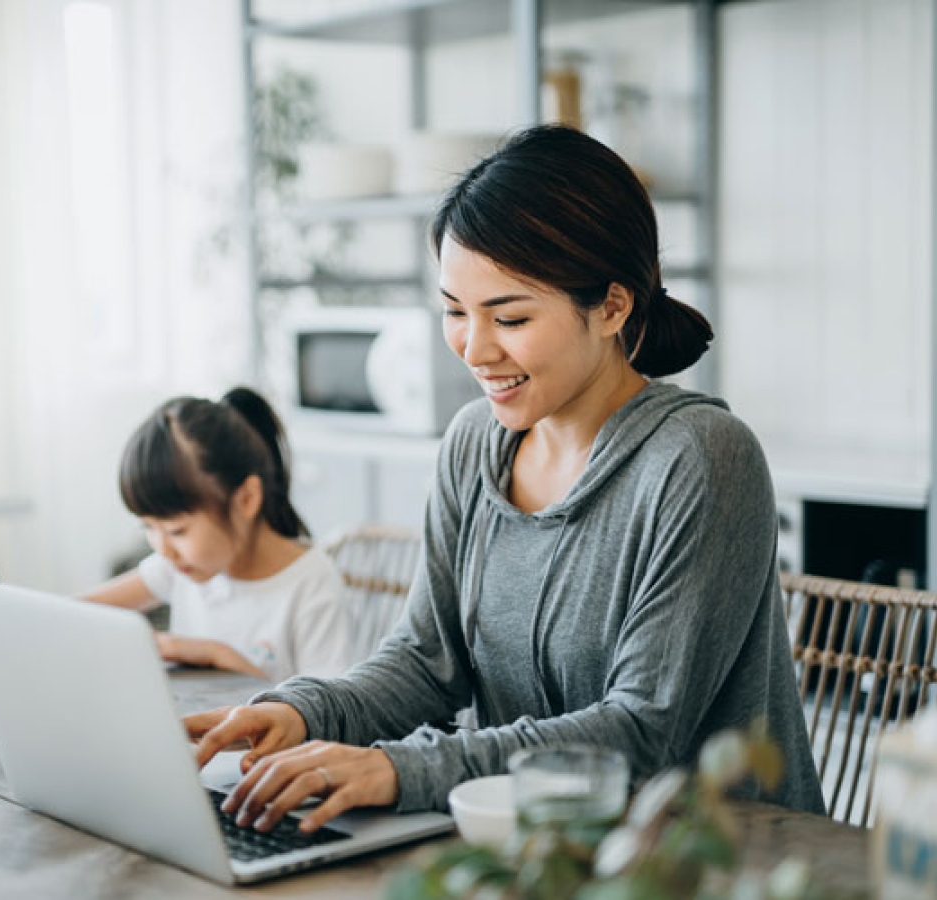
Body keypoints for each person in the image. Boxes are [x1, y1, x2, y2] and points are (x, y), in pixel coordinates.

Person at [187, 124, 826, 835]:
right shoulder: (473, 446)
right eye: (454, 311)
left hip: (711, 859)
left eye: (510, 317)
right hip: (529, 845)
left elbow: (643, 734)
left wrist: (399, 770)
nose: (474, 348)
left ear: (613, 307)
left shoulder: (702, 458)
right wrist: (303, 711)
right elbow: (426, 664)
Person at [83, 387, 348, 683]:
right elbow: (72, 613)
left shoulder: (311, 583)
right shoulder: (179, 566)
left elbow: (328, 719)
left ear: (247, 499)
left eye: (176, 530)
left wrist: (219, 656)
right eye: (147, 527)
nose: (163, 550)